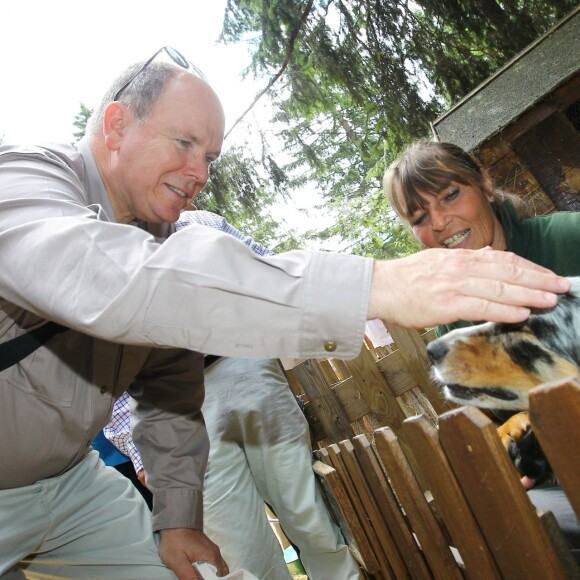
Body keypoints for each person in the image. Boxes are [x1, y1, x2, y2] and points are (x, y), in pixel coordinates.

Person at [0, 48, 568, 580]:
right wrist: (374, 282)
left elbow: (169, 390)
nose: (198, 173)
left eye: (210, 157)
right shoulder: (23, 183)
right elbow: (111, 279)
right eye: (183, 143)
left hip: (74, 485)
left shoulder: (160, 234)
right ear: (118, 125)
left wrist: (175, 516)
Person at [101, 208, 361, 579]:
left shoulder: (202, 223)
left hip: (245, 366)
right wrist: (139, 449)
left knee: (307, 512)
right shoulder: (98, 246)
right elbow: (103, 361)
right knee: (233, 551)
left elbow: (272, 273)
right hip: (166, 408)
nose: (197, 172)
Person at [383, 139, 580, 561]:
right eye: (419, 217)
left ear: (485, 184)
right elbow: (492, 423)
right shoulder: (453, 317)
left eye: (450, 195)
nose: (439, 221)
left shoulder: (570, 240)